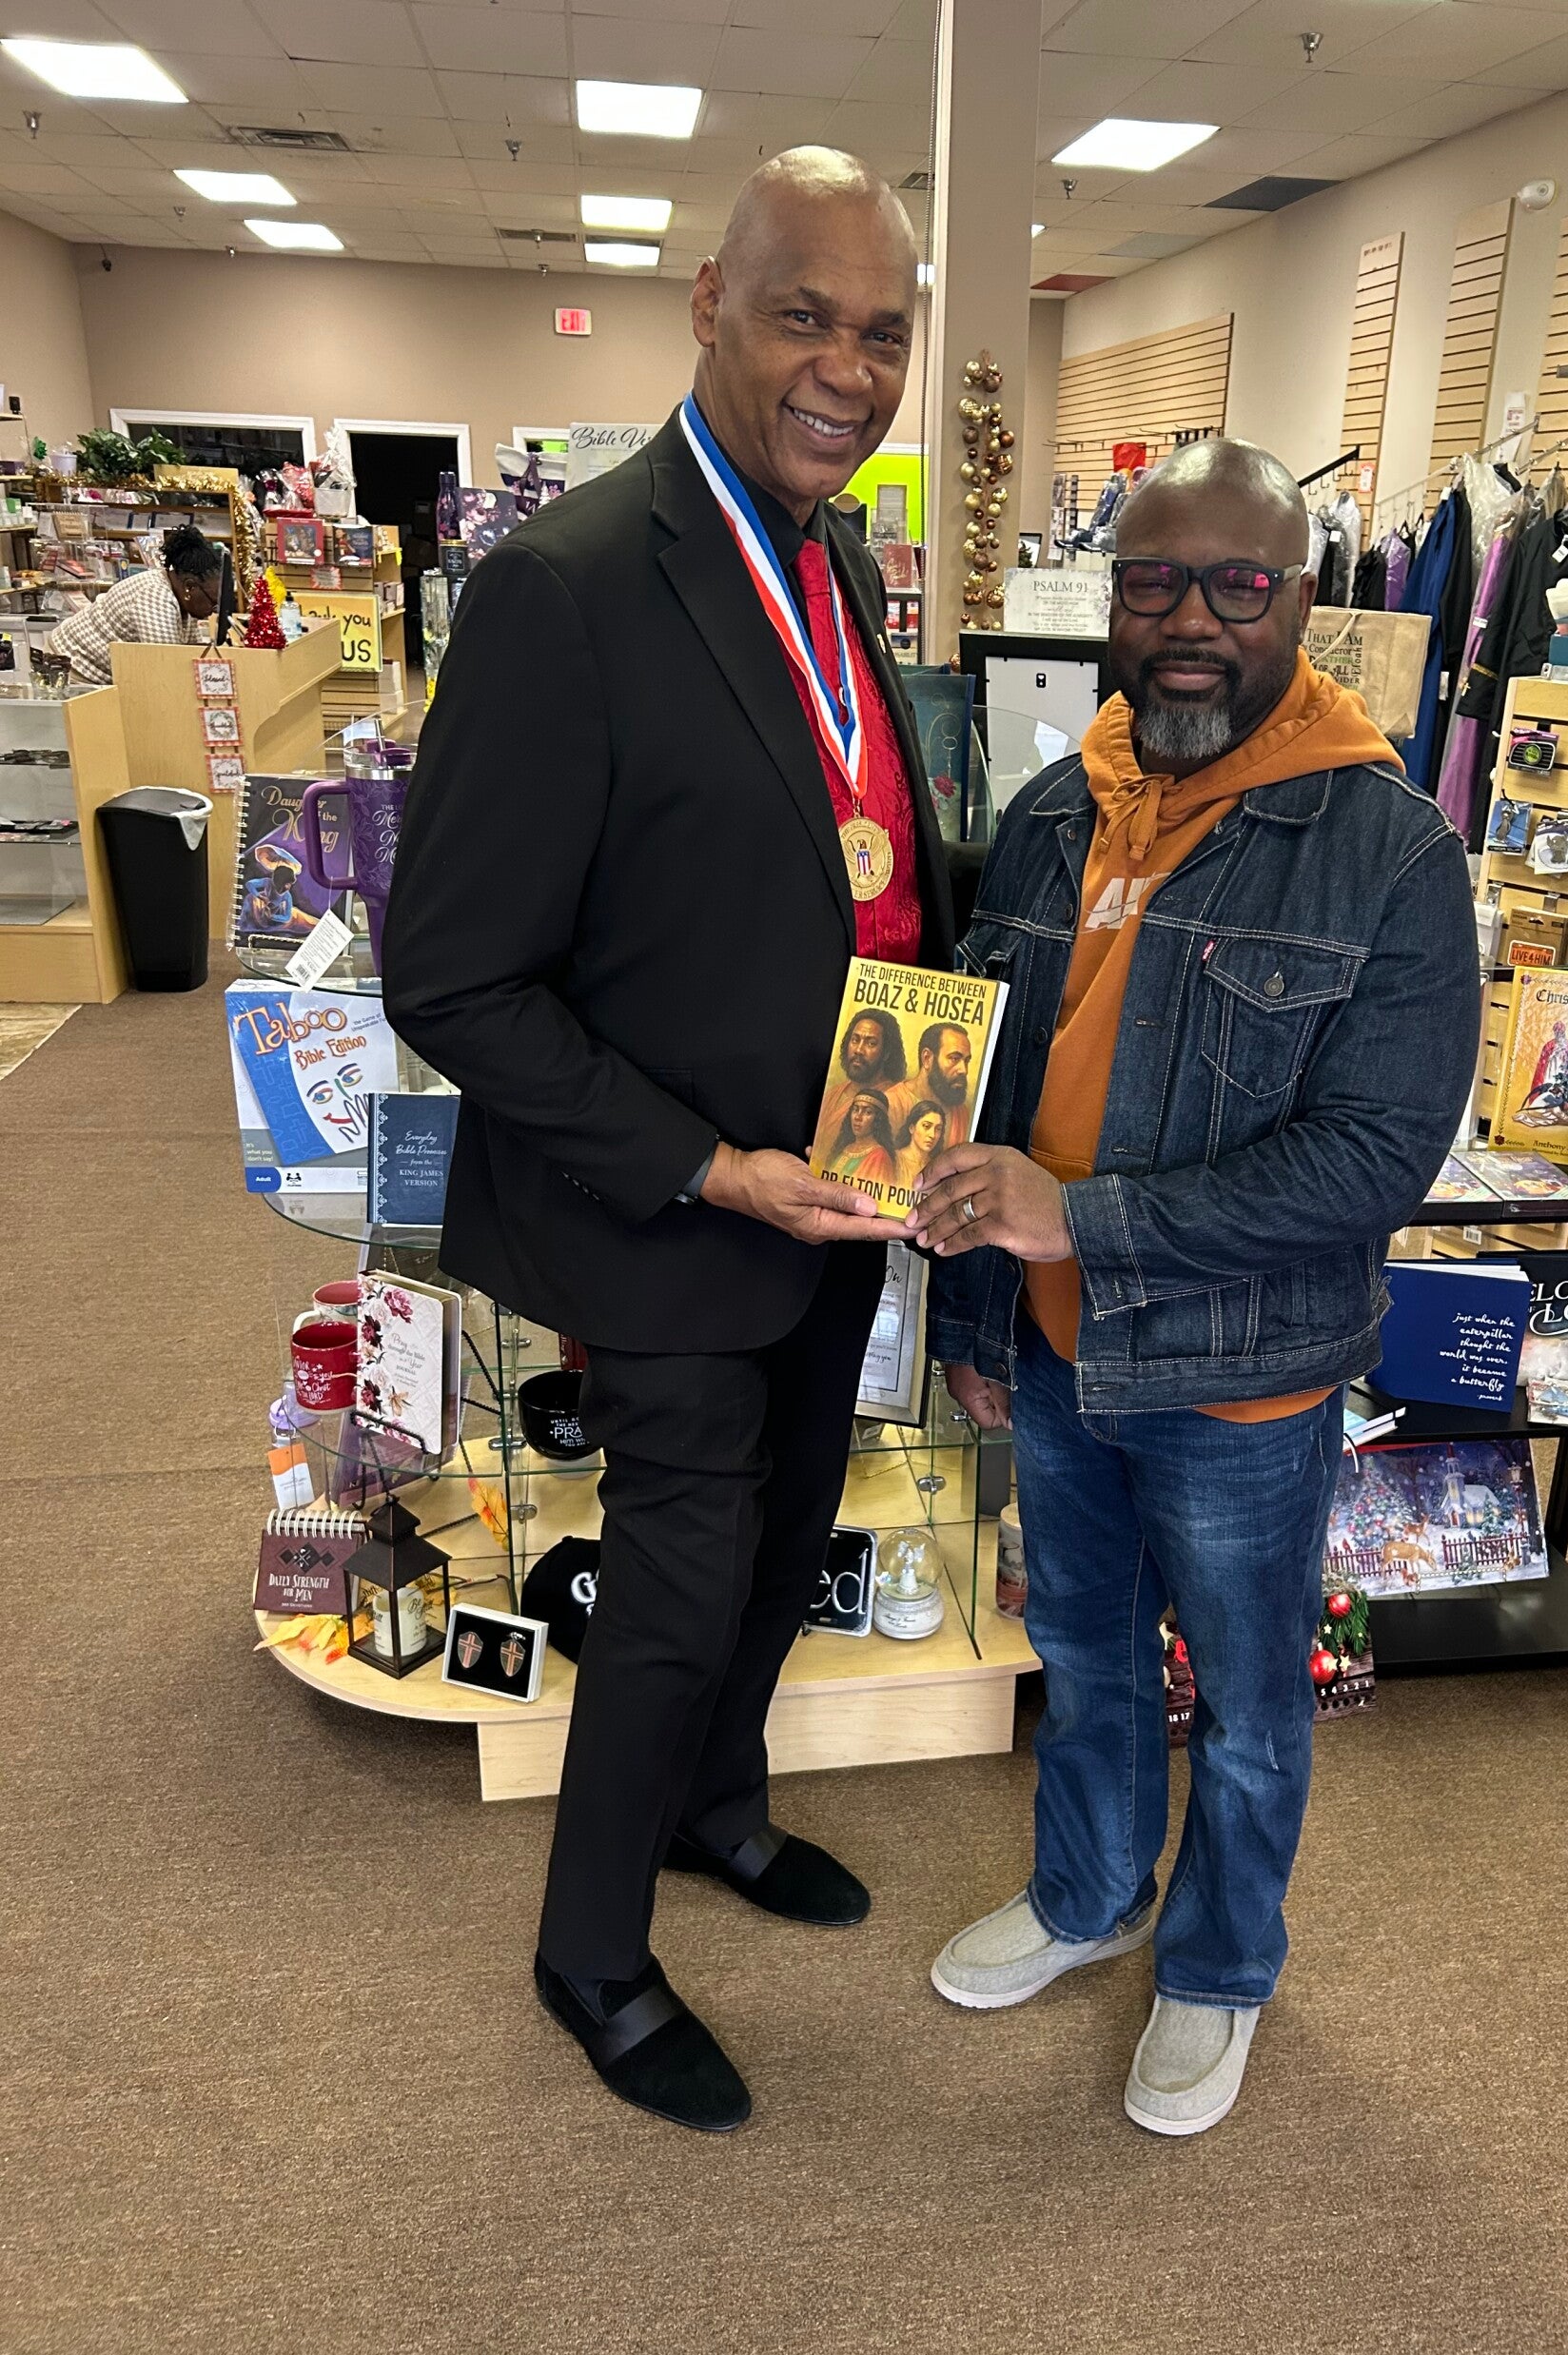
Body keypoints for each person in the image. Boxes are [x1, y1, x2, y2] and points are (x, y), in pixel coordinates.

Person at [383, 147, 951, 2134]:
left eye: (883, 332)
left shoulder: (832, 558)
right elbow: (450, 974)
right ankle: (592, 1951)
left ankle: (718, 1803)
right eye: (805, 316)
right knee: (686, 1574)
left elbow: (836, 858)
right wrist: (707, 1167)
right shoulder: (567, 586)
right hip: (674, 1209)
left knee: (792, 1530)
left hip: (844, 1183)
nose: (849, 370)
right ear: (709, 305)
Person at [915, 437, 1481, 2137]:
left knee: (1243, 1702)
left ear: (1300, 603)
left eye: (1239, 586)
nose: (1190, 622)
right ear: (1113, 599)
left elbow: (1372, 1161)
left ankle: (1223, 1964)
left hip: (1243, 1377)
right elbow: (987, 1090)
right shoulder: (1050, 812)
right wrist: (978, 1317)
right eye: (1155, 582)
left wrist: (1083, 1225)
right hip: (1058, 1358)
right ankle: (1091, 1897)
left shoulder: (1386, 849)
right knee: (1083, 1659)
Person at [46, 524, 223, 685]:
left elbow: (191, 655)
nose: (214, 610)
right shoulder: (156, 597)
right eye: (213, 602)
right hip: (72, 667)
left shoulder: (181, 598)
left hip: (91, 669)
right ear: (189, 587)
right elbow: (166, 668)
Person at [816, 1008, 906, 1167]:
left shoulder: (894, 1100)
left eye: (871, 1043)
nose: (858, 1050)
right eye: (855, 1040)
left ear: (886, 1052)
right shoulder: (833, 1093)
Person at [886, 1019, 972, 1148]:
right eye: (954, 1058)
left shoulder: (962, 1114)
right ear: (927, 1058)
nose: (963, 1070)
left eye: (966, 1061)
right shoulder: (891, 1104)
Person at [829, 1088, 896, 1191]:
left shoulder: (880, 1157)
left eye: (867, 1112)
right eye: (855, 1110)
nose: (858, 1117)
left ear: (878, 1120)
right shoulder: (844, 1148)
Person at [893, 1098, 947, 1194]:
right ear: (911, 1128)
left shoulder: (937, 1167)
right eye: (926, 1126)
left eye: (938, 1129)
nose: (932, 1135)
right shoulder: (894, 1160)